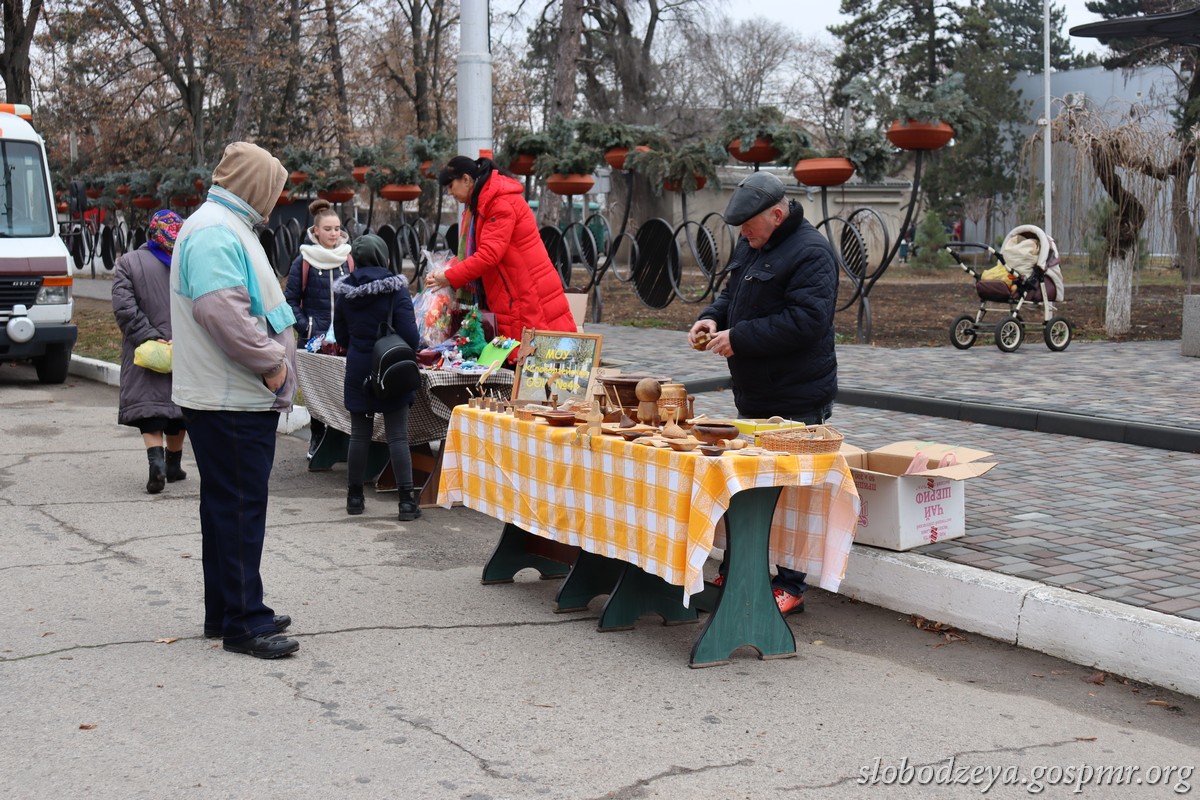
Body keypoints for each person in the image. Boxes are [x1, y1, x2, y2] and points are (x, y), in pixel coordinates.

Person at [170, 142, 300, 659]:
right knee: (241, 509)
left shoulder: (220, 225)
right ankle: (245, 622)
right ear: (254, 184)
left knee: (226, 507)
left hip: (227, 395)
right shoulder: (215, 231)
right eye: (273, 186)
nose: (276, 198)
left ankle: (228, 609)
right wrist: (273, 363)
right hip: (231, 397)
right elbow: (223, 313)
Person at [688, 172, 839, 616]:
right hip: (754, 391)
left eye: (749, 226)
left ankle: (790, 585)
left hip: (798, 394)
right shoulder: (753, 242)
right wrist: (712, 319)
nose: (743, 235)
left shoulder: (813, 253)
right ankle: (740, 568)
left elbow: (807, 322)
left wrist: (742, 338)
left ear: (777, 214)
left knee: (791, 494)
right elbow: (732, 294)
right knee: (747, 487)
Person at [424, 155, 576, 341]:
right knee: (526, 353)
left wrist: (449, 277)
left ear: (466, 179)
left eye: (450, 186)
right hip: (515, 289)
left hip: (525, 291)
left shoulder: (498, 204)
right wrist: (445, 269)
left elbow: (488, 255)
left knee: (538, 352)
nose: (449, 193)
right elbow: (474, 252)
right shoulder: (482, 204)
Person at [332, 234, 422, 520]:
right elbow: (410, 336)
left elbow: (342, 335)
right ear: (384, 256)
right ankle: (407, 503)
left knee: (359, 433)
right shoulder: (396, 289)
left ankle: (354, 499)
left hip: (360, 367)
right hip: (391, 365)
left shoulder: (344, 291)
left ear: (355, 260)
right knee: (397, 435)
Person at [111, 209, 188, 494]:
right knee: (179, 408)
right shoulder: (188, 264)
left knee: (150, 409)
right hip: (184, 349)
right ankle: (173, 464)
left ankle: (155, 462)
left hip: (145, 350)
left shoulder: (128, 263)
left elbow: (124, 308)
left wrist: (151, 337)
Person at [284, 198, 353, 459]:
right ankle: (317, 437)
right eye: (328, 229)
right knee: (317, 391)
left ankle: (342, 441)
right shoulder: (304, 261)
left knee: (342, 389)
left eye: (337, 228)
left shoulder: (347, 259)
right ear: (315, 231)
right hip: (315, 339)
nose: (333, 234)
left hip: (344, 340)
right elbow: (289, 301)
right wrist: (307, 327)